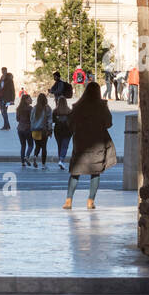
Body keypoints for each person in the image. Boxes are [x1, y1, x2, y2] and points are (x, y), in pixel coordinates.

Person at [64, 80, 117, 209]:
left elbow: (70, 123)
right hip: (97, 142)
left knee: (75, 171)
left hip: (80, 142)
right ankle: (90, 201)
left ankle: (69, 200)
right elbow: (109, 123)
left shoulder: (78, 106)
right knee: (95, 171)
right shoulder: (102, 106)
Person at [29, 93, 53, 168]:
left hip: (35, 131)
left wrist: (32, 127)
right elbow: (50, 120)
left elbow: (31, 119)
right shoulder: (47, 108)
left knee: (37, 146)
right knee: (44, 147)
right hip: (43, 131)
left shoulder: (34, 108)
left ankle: (35, 157)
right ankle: (43, 164)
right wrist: (50, 129)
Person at [53, 95, 72, 169]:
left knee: (59, 146)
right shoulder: (69, 111)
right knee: (65, 146)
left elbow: (53, 120)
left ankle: (60, 160)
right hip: (67, 130)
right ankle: (61, 160)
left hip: (57, 130)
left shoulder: (55, 111)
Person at [15, 93, 34, 167]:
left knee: (23, 145)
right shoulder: (30, 108)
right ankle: (27, 156)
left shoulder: (18, 108)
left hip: (20, 129)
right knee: (31, 145)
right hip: (28, 128)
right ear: (26, 100)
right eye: (30, 99)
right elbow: (32, 119)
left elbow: (17, 119)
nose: (31, 100)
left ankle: (22, 162)